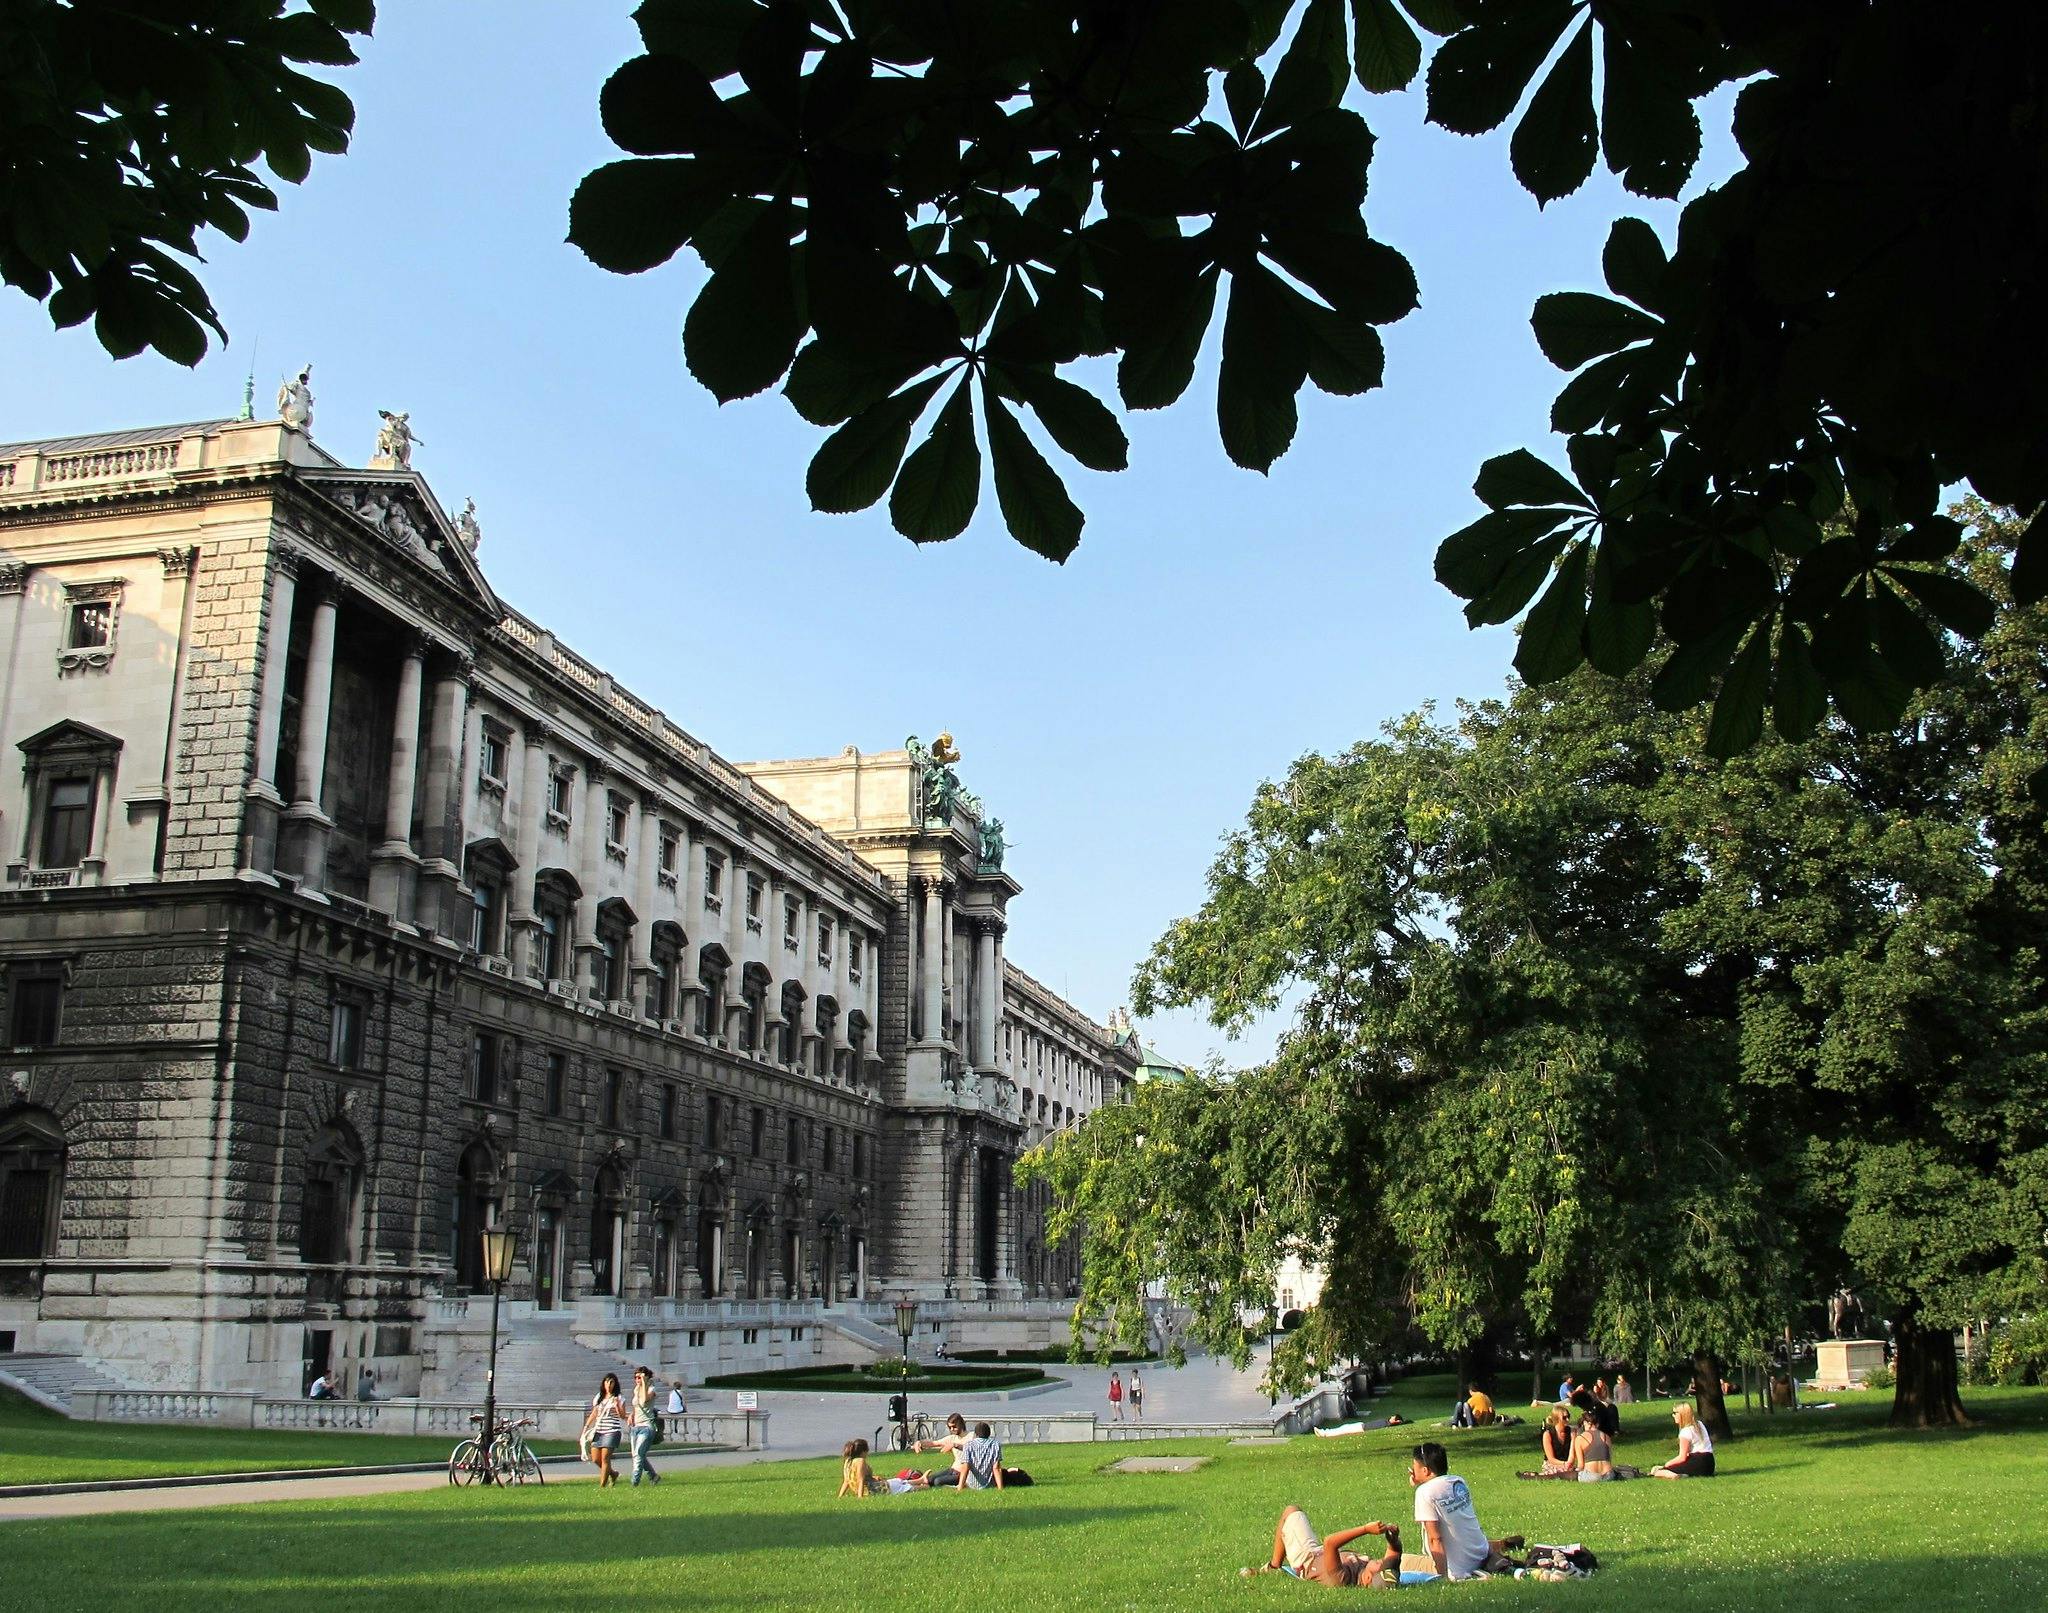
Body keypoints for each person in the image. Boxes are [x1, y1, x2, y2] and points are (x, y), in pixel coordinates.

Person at [1410, 1442, 1522, 1579]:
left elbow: (1435, 1539)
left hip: (1456, 1568)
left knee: (1400, 1561)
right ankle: (1503, 1544)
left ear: (1425, 1471)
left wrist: (1442, 1577)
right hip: (1483, 1554)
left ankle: (1503, 1544)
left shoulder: (1424, 1493)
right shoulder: (1458, 1481)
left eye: (1415, 1468)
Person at [1243, 1507, 1406, 1587]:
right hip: (1319, 1552)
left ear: (1369, 1578)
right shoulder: (1370, 1571)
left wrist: (1365, 1529)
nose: (1381, 1561)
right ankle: (1273, 1566)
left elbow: (1330, 1542)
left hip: (1306, 1557)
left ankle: (1272, 1567)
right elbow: (1395, 1552)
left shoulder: (1341, 1579)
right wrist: (1393, 1539)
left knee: (1291, 1511)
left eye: (1380, 1565)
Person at [581, 1371, 628, 1488]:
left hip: (612, 1431)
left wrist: (617, 1405)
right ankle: (613, 1473)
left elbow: (622, 1416)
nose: (609, 1384)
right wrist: (586, 1427)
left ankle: (602, 1485)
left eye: (612, 1382)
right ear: (603, 1383)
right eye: (607, 1382)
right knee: (596, 1459)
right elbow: (594, 1413)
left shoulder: (619, 1398)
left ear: (615, 1384)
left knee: (605, 1458)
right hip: (599, 1431)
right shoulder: (599, 1397)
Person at [1652, 1403, 1716, 1478]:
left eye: (1675, 1413)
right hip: (1709, 1463)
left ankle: (1675, 1475)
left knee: (1658, 1472)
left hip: (1698, 1462)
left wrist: (1667, 1464)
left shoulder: (1685, 1432)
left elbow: (1682, 1457)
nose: (1673, 1415)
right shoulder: (1699, 1424)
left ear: (1682, 1414)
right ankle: (1684, 1474)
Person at [628, 1365, 663, 1486]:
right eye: (636, 1377)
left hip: (647, 1427)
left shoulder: (651, 1390)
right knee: (638, 1455)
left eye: (640, 1377)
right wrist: (631, 1415)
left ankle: (634, 1483)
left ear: (648, 1377)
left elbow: (643, 1401)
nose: (637, 1380)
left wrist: (644, 1383)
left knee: (638, 1454)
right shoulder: (636, 1389)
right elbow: (636, 1405)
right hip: (635, 1426)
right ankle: (653, 1476)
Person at [958, 1421, 1005, 1490]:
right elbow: (996, 1468)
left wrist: (960, 1487)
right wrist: (1000, 1488)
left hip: (971, 1485)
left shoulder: (968, 1445)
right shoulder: (995, 1444)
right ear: (988, 1433)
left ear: (976, 1434)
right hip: (989, 1485)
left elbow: (965, 1467)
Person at [1573, 1413, 1616, 1482]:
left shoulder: (1580, 1438)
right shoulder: (1607, 1437)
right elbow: (1609, 1460)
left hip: (1591, 1476)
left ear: (1585, 1423)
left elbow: (1580, 1465)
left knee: (1576, 1473)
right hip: (1609, 1475)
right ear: (1598, 1424)